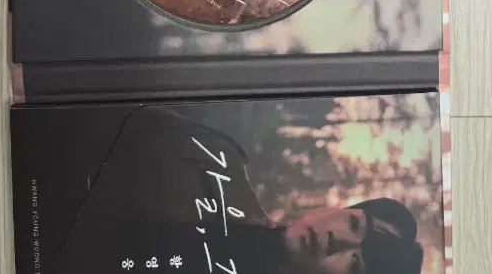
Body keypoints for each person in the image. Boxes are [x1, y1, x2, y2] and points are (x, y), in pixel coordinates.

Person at [53, 105, 427, 274]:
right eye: (354, 224)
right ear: (337, 209)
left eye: (356, 265)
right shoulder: (213, 159)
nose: (335, 241)